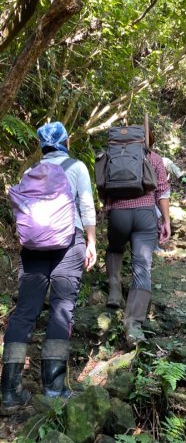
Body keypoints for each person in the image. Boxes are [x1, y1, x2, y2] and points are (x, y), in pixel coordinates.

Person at [1, 122, 96, 410]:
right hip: (69, 242)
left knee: (25, 313)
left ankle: (8, 391)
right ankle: (54, 388)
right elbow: (87, 206)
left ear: (42, 146)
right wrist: (91, 241)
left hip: (33, 248)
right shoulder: (77, 167)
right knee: (61, 309)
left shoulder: (30, 172)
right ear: (66, 141)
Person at [104, 126, 170, 347]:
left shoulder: (111, 154)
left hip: (118, 215)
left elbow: (102, 186)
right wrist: (166, 221)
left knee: (115, 248)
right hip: (145, 215)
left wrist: (109, 209)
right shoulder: (153, 157)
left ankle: (114, 291)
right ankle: (133, 324)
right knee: (142, 266)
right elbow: (162, 190)